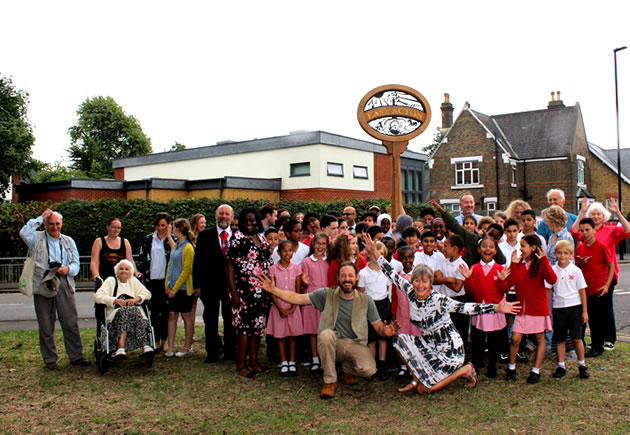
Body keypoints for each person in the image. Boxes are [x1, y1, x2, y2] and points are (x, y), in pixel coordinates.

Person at [362, 235, 520, 395]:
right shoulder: (409, 291)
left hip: (450, 351)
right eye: (417, 281)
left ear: (431, 284)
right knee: (399, 340)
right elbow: (390, 273)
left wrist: (497, 308)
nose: (420, 285)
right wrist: (373, 250)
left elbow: (467, 307)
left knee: (425, 390)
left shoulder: (439, 300)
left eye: (425, 282)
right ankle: (416, 378)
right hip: (430, 346)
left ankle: (464, 370)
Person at [256, 262, 399, 399]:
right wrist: (274, 290)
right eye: (343, 276)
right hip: (332, 342)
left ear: (357, 278)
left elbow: (379, 327)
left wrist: (386, 331)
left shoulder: (366, 300)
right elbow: (297, 298)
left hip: (355, 344)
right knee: (326, 335)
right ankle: (329, 381)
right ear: (337, 278)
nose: (347, 279)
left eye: (350, 276)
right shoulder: (326, 294)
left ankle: (348, 369)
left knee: (369, 370)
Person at [19, 208, 91, 370]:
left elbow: (76, 264)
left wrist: (68, 269)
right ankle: (50, 360)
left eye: (57, 224)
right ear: (45, 224)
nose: (54, 227)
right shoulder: (36, 239)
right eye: (50, 224)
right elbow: (24, 232)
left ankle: (76, 356)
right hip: (43, 283)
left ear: (62, 224)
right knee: (45, 324)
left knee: (70, 322)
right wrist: (40, 217)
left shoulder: (68, 241)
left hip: (64, 282)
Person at [571, 197, 630, 352]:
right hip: (588, 277)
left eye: (599, 214)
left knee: (606, 309)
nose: (596, 217)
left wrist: (618, 212)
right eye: (593, 214)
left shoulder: (610, 230)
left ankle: (609, 339)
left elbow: (628, 230)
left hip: (606, 276)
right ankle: (598, 339)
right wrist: (582, 212)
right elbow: (574, 231)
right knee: (592, 310)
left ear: (604, 216)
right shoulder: (586, 230)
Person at [502, 234, 557, 384]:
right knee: (515, 338)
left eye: (523, 246)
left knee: (540, 338)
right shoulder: (519, 264)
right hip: (522, 309)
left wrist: (544, 260)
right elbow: (508, 285)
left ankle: (535, 371)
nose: (520, 249)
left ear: (533, 248)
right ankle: (511, 368)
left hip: (537, 308)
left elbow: (552, 279)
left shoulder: (541, 264)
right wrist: (513, 265)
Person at [227, 208, 274, 378]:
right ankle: (241, 365)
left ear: (258, 221)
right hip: (243, 290)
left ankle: (254, 362)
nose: (249, 224)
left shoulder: (262, 238)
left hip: (261, 290)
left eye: (252, 220)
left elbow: (267, 261)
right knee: (244, 328)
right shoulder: (238, 239)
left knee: (257, 326)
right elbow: (230, 266)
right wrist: (234, 293)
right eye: (246, 221)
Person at [459, 238, 509, 378]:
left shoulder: (500, 269)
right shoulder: (474, 268)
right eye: (484, 246)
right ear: (479, 249)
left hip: (495, 308)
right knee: (477, 340)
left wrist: (502, 280)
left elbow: (504, 290)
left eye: (491, 247)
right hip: (479, 309)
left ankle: (492, 366)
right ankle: (476, 365)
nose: (487, 249)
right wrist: (468, 278)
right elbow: (471, 290)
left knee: (494, 340)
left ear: (495, 250)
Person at [193, 204, 237, 363]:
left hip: (231, 285)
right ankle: (212, 352)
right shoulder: (205, 235)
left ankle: (231, 351)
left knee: (230, 319)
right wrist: (197, 285)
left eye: (227, 214)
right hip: (209, 285)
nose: (223, 217)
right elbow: (197, 262)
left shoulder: (238, 235)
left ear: (232, 217)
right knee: (210, 319)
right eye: (221, 214)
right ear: (216, 216)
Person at [93, 259, 153, 358]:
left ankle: (122, 348)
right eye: (121, 269)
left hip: (135, 316)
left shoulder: (133, 281)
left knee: (132, 310)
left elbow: (147, 294)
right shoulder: (111, 281)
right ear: (117, 271)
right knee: (126, 311)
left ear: (131, 271)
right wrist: (114, 300)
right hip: (116, 316)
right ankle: (144, 344)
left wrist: (136, 299)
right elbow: (97, 297)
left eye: (126, 269)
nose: (124, 271)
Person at [547, 241, 590, 379]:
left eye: (566, 253)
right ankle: (561, 365)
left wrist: (584, 311)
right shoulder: (552, 270)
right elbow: (548, 290)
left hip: (575, 308)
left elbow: (582, 291)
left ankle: (582, 365)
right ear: (554, 254)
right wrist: (547, 310)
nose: (562, 256)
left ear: (571, 255)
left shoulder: (576, 270)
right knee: (560, 339)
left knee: (577, 338)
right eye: (559, 253)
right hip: (559, 308)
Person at [574, 217, 615, 358]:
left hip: (597, 289)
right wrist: (580, 264)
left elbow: (611, 265)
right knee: (582, 319)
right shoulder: (579, 248)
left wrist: (607, 285)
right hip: (583, 290)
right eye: (582, 230)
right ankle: (580, 345)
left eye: (587, 230)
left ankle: (597, 346)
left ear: (594, 230)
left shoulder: (602, 246)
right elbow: (575, 269)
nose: (585, 233)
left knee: (597, 320)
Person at [429, 199, 505, 267]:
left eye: (495, 237)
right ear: (485, 231)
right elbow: (455, 225)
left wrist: (495, 246)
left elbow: (502, 261)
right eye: (490, 234)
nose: (491, 238)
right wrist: (441, 210)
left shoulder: (495, 251)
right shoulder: (472, 238)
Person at [137, 212, 173, 353]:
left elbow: (175, 253)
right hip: (151, 280)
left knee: (165, 312)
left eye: (163, 225)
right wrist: (142, 276)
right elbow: (142, 259)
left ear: (168, 225)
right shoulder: (148, 239)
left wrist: (169, 235)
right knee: (153, 312)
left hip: (165, 281)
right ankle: (154, 340)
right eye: (158, 225)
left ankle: (165, 340)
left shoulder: (171, 240)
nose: (160, 228)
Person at [268, 240, 304, 376]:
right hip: (278, 308)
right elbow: (272, 291)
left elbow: (298, 289)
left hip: (292, 307)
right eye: (284, 250)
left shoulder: (296, 269)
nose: (287, 253)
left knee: (292, 336)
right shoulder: (273, 269)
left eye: (290, 250)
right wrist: (280, 308)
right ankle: (284, 362)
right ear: (278, 252)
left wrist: (294, 306)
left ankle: (292, 361)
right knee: (281, 336)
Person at [357, 241, 392, 381]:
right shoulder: (364, 273)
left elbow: (389, 289)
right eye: (374, 255)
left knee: (382, 336)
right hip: (370, 306)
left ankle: (382, 364)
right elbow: (361, 291)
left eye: (381, 255)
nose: (377, 258)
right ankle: (372, 366)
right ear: (368, 255)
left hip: (384, 304)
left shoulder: (387, 270)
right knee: (371, 338)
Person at [165, 218, 196, 357]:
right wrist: (167, 285)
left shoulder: (188, 247)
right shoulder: (175, 246)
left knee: (186, 315)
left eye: (174, 229)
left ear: (179, 230)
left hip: (183, 289)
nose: (173, 232)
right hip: (172, 287)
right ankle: (170, 347)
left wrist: (175, 288)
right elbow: (170, 266)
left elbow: (186, 270)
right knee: (172, 315)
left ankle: (187, 346)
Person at [390, 245, 421, 380]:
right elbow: (394, 296)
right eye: (404, 258)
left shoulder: (418, 275)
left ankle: (415, 366)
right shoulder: (398, 277)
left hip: (415, 314)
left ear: (414, 258)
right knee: (403, 339)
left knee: (415, 339)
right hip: (402, 313)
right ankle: (403, 366)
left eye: (410, 257)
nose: (407, 260)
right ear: (400, 259)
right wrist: (393, 314)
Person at [300, 232, 329, 374]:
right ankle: (315, 358)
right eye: (318, 243)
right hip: (312, 299)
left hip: (327, 300)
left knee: (326, 330)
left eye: (323, 243)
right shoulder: (307, 261)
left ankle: (326, 358)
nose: (320, 246)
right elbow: (304, 280)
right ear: (313, 244)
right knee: (313, 331)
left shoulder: (329, 260)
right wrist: (304, 282)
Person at [433, 235, 468, 345]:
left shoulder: (462, 265)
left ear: (455, 248)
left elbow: (457, 288)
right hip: (444, 299)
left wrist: (442, 279)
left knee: (458, 329)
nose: (443, 248)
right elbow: (434, 279)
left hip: (458, 300)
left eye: (446, 246)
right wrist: (448, 279)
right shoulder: (443, 262)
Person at [89, 217, 137, 288]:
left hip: (121, 280)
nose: (116, 230)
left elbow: (130, 260)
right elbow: (94, 262)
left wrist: (136, 273)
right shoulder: (99, 241)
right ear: (107, 227)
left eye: (118, 228)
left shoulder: (125, 242)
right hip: (104, 279)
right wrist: (96, 275)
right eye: (114, 227)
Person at [189, 213, 206, 343]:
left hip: (204, 276)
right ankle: (192, 332)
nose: (204, 225)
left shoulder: (206, 237)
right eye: (201, 223)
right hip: (192, 276)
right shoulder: (191, 238)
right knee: (193, 306)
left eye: (205, 222)